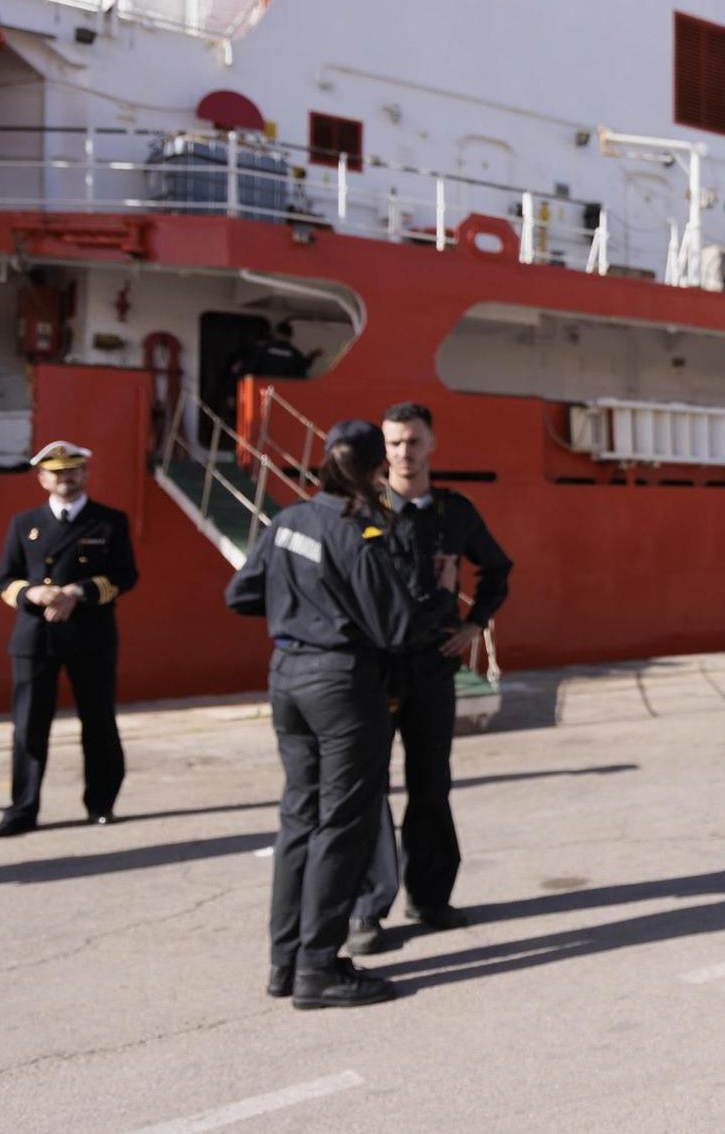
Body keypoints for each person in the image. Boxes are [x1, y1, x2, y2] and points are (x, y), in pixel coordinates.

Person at [225, 420, 447, 1009]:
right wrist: (438, 604)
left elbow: (240, 595)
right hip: (341, 686)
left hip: (287, 677)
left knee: (299, 817)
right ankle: (319, 968)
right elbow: (397, 627)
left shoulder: (288, 521)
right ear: (375, 470)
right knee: (343, 824)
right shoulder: (359, 532)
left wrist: (302, 608)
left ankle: (285, 962)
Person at [346, 403, 513, 955]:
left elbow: (497, 569)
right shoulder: (362, 510)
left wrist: (474, 624)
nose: (403, 452)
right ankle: (366, 910)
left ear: (431, 444)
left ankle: (430, 896)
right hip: (377, 668)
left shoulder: (454, 512)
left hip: (433, 667)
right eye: (393, 443)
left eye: (413, 441)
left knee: (431, 783)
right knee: (369, 788)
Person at [0, 441, 138, 838]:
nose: (64, 478)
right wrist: (33, 593)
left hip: (90, 636)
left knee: (98, 722)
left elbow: (125, 576)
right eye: (55, 472)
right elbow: (4, 580)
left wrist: (78, 592)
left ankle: (101, 804)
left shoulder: (109, 522)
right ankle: (22, 809)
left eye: (71, 470)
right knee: (28, 727)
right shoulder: (24, 523)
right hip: (35, 637)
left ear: (84, 474)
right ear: (42, 478)